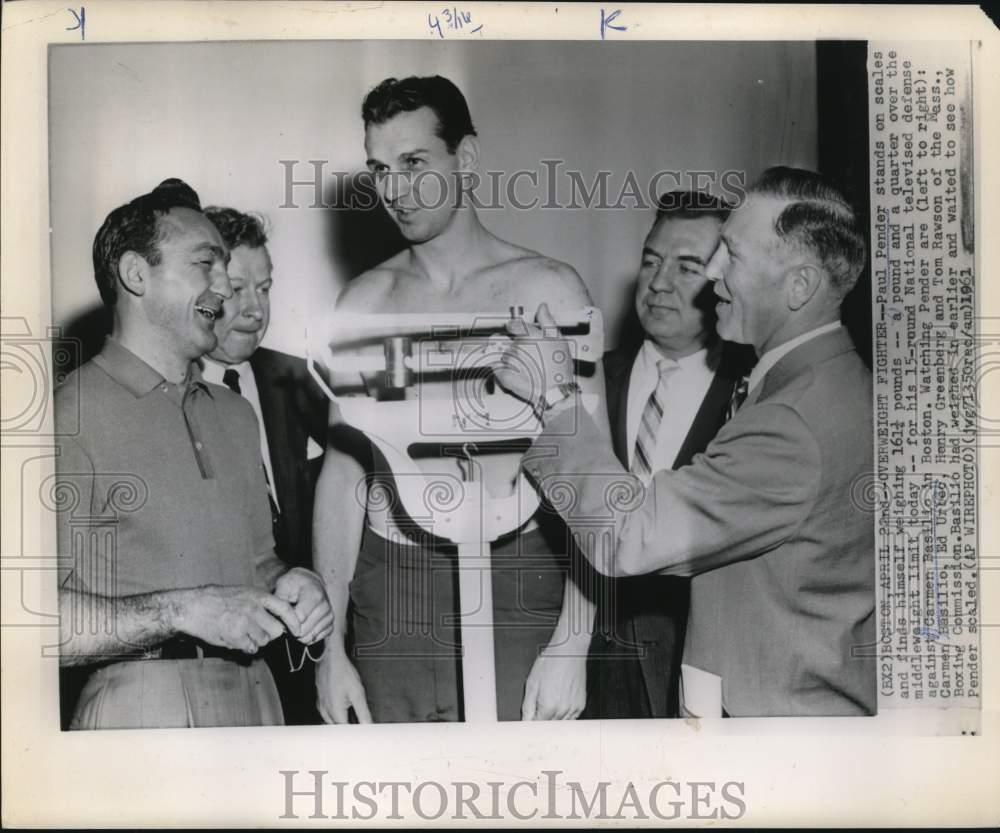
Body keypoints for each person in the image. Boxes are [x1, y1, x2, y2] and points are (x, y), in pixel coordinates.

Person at [497, 167, 875, 717]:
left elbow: (627, 534)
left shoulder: (791, 424)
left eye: (732, 256)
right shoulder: (836, 385)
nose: (713, 275)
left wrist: (556, 399)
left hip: (773, 735)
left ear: (800, 285)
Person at [313, 75, 599, 723]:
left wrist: (574, 641)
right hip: (393, 588)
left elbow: (591, 468)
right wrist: (330, 648)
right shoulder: (363, 304)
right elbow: (344, 475)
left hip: (520, 575)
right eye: (380, 170)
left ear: (465, 159)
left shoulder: (547, 289)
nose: (396, 191)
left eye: (415, 164)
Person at [55, 179, 333, 729]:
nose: (225, 289)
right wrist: (185, 611)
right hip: (138, 705)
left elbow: (257, 562)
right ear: (136, 274)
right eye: (205, 264)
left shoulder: (234, 414)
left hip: (261, 698)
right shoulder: (65, 415)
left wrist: (291, 581)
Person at [584, 191, 752, 720]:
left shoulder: (750, 398)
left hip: (695, 671)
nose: (658, 284)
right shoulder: (591, 379)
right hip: (586, 664)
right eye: (651, 261)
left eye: (687, 268)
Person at [201, 206, 330, 725]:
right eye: (236, 290)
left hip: (312, 643)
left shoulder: (302, 381)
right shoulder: (170, 395)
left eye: (266, 288)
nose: (255, 310)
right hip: (222, 660)